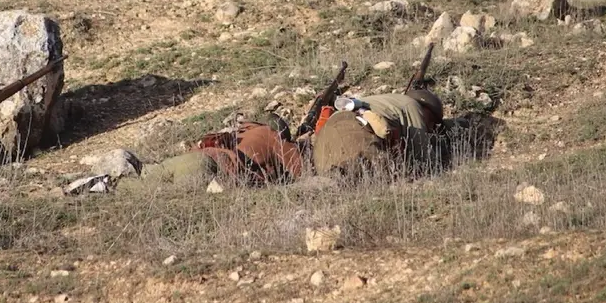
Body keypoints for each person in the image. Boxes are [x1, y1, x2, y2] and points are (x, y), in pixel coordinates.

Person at [126, 114, 301, 191]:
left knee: (150, 173)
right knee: (167, 193)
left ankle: (109, 179)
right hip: (209, 167)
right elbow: (301, 170)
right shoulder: (276, 139)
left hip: (195, 155)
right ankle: (111, 186)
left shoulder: (246, 130)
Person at [311, 89, 444, 177]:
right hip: (355, 129)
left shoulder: (381, 103)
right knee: (372, 171)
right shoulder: (411, 105)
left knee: (332, 180)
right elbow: (424, 157)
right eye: (431, 121)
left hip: (327, 133)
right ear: (426, 110)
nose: (430, 127)